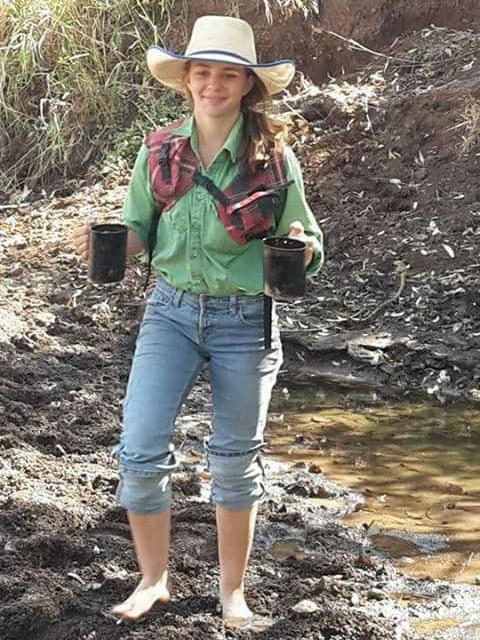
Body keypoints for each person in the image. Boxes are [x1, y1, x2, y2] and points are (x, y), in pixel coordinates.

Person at [73, 14, 323, 625]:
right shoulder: (159, 148)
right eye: (202, 72)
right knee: (138, 447)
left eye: (227, 75)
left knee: (235, 459)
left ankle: (231, 594)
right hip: (171, 313)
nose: (213, 84)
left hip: (246, 319)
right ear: (186, 79)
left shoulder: (273, 155)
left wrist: (301, 243)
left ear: (246, 85)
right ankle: (153, 579)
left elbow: (307, 234)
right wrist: (104, 243)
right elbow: (137, 229)